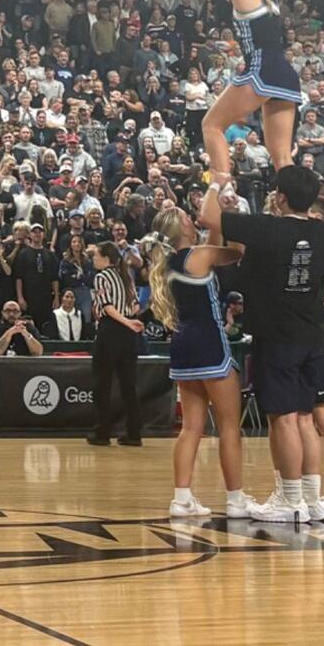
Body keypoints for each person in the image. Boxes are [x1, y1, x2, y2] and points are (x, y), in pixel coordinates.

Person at [204, 165, 324, 523]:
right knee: (306, 419)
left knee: (283, 419)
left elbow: (207, 216)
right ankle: (312, 500)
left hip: (277, 336)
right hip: (314, 335)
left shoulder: (265, 227)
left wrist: (216, 180)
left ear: (280, 197)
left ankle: (289, 500)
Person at [170, 0, 299, 187]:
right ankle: (299, 210)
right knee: (283, 158)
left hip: (262, 71)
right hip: (286, 74)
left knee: (211, 125)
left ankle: (222, 187)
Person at [140, 206, 247, 518]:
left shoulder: (169, 263)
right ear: (181, 229)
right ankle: (236, 500)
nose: (191, 217)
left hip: (182, 346)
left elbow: (215, 244)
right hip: (209, 344)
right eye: (187, 217)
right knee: (229, 427)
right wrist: (223, 217)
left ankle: (182, 498)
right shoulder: (199, 255)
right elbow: (235, 252)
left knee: (191, 428)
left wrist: (213, 225)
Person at [86, 241, 143, 446]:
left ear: (106, 258)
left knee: (102, 383)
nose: (93, 258)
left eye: (96, 255)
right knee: (129, 385)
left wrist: (125, 321)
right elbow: (136, 305)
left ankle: (102, 432)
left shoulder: (101, 277)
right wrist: (130, 321)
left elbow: (107, 307)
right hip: (129, 334)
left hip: (110, 330)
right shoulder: (126, 276)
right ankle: (134, 433)